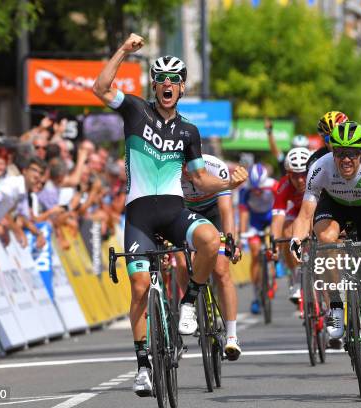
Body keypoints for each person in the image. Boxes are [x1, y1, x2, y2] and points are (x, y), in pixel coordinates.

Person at [92, 33, 247, 397]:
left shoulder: (188, 131)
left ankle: (190, 300)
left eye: (174, 81)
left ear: (182, 88)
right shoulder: (134, 109)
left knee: (211, 240)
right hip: (140, 217)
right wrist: (123, 51)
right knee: (141, 287)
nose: (167, 85)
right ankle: (143, 366)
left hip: (176, 213)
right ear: (154, 85)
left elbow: (198, 179)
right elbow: (100, 88)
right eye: (161, 79)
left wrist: (231, 183)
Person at [290, 121, 361, 374]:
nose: (346, 159)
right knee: (327, 241)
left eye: (352, 153)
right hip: (334, 205)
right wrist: (296, 239)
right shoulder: (320, 168)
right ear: (332, 152)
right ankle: (336, 305)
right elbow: (305, 215)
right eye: (340, 153)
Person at [178, 154, 242, 360]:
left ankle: (232, 335)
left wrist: (231, 240)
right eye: (181, 166)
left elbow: (225, 209)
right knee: (179, 260)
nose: (185, 171)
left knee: (221, 270)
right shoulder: (169, 171)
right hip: (184, 214)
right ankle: (192, 307)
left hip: (214, 214)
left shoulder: (215, 167)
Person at [270, 147, 311, 303]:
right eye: (295, 176)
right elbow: (277, 218)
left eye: (304, 174)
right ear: (288, 175)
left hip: (315, 208)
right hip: (296, 210)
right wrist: (274, 244)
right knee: (287, 235)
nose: (300, 180)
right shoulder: (284, 185)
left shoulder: (318, 178)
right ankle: (295, 277)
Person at [238, 163, 277, 314]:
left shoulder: (273, 185)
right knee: (255, 253)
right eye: (254, 189)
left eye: (259, 188)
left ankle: (275, 264)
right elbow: (243, 214)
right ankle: (256, 295)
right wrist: (241, 235)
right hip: (255, 221)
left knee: (273, 243)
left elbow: (283, 206)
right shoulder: (245, 190)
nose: (257, 192)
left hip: (271, 217)